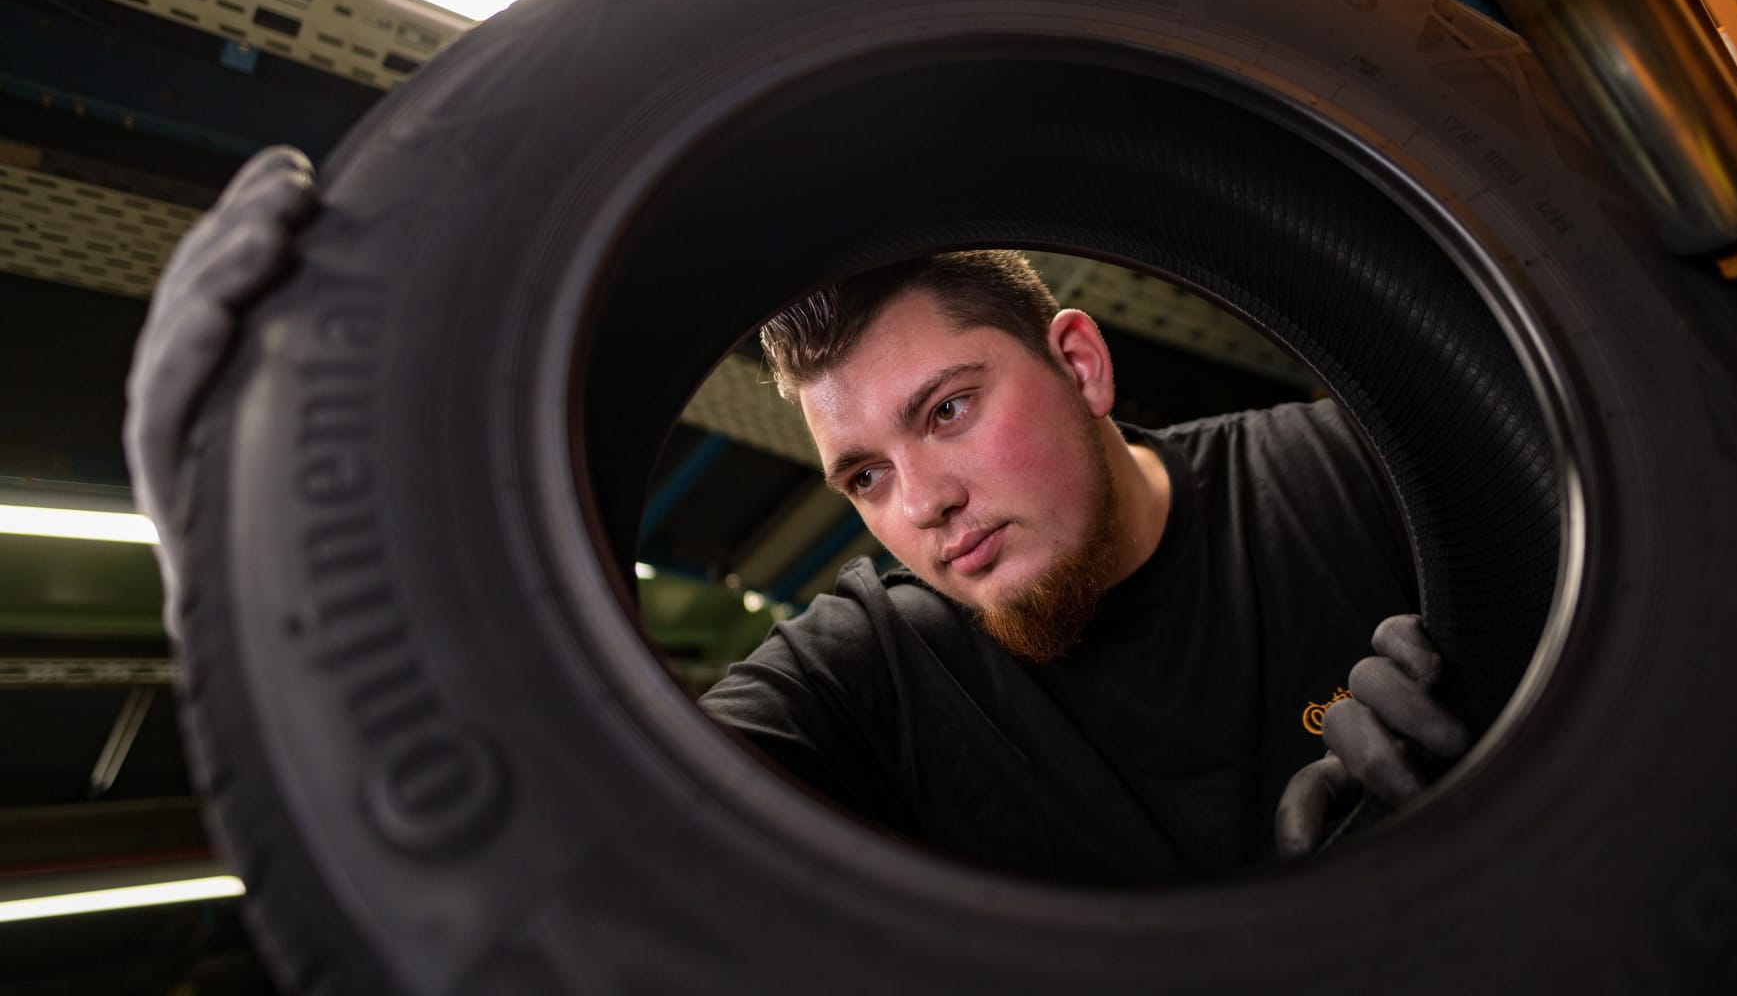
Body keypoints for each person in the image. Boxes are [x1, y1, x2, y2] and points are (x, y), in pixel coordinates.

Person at [127, 146, 1470, 883]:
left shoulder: (1353, 476)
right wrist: (265, 601)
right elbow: (570, 859)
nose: (925, 504)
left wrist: (1509, 741)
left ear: (1078, 360)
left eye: (945, 411)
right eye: (863, 476)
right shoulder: (867, 669)